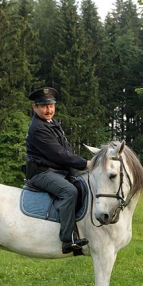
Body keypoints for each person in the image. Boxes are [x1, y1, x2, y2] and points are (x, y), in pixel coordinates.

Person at [24, 87, 92, 254]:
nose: (49, 110)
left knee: (81, 184)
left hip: (56, 171)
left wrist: (75, 172)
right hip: (41, 173)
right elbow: (59, 154)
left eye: (51, 106)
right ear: (35, 107)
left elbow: (66, 150)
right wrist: (86, 164)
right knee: (69, 191)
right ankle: (68, 240)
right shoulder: (38, 128)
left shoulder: (52, 123)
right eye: (44, 106)